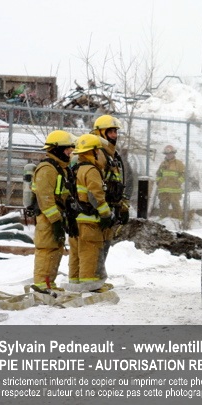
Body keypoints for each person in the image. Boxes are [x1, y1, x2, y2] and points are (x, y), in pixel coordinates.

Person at [67, 134, 113, 293]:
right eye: (97, 151)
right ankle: (90, 285)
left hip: (75, 219)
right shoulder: (91, 170)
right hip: (89, 220)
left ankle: (75, 282)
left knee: (76, 253)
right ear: (92, 152)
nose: (99, 153)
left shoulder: (75, 168)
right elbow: (96, 196)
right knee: (90, 252)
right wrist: (106, 215)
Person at [32, 130, 76, 293]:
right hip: (47, 217)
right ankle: (41, 284)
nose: (70, 152)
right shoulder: (47, 168)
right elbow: (45, 198)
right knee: (46, 248)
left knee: (56, 249)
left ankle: (49, 283)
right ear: (57, 149)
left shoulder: (61, 168)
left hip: (57, 215)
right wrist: (55, 220)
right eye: (67, 148)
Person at [91, 115, 129, 282]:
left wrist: (122, 206)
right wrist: (101, 209)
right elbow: (93, 184)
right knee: (95, 246)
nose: (114, 135)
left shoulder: (112, 155)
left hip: (109, 207)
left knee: (104, 244)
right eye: (110, 131)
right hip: (98, 209)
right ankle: (91, 279)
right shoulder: (97, 153)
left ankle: (97, 278)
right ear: (100, 132)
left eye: (115, 131)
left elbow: (117, 183)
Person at [156, 145, 185, 219]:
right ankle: (162, 221)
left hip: (174, 191)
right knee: (163, 207)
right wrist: (159, 182)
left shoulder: (179, 164)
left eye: (170, 153)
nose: (168, 155)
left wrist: (178, 182)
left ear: (173, 153)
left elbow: (184, 174)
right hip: (163, 191)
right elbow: (158, 174)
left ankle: (179, 221)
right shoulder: (162, 164)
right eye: (167, 154)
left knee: (176, 207)